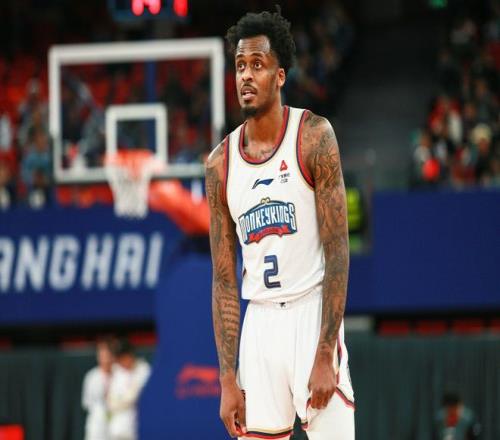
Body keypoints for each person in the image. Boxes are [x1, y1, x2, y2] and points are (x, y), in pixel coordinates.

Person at [205, 8, 354, 440]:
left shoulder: (313, 136)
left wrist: (325, 350)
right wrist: (227, 378)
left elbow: (338, 250)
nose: (246, 76)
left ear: (280, 75)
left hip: (311, 310)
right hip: (260, 324)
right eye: (240, 66)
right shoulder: (219, 164)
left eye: (258, 64)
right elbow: (223, 279)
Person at [107, 339, 150, 440]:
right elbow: (110, 401)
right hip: (116, 430)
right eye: (118, 360)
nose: (121, 363)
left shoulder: (143, 369)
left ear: (129, 355)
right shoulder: (117, 372)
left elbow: (134, 396)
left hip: (136, 429)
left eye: (122, 359)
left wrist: (122, 400)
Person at [82, 338, 116, 440]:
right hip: (97, 425)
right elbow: (87, 402)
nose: (104, 358)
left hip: (117, 424)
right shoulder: (91, 376)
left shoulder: (120, 374)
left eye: (107, 355)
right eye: (101, 355)